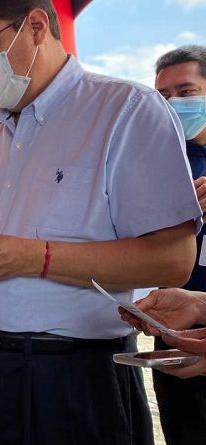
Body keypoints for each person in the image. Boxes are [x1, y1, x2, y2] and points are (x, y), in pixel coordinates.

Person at [0, 1, 202, 444]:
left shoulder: (127, 111)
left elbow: (172, 259)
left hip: (67, 376)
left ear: (35, 26)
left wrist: (31, 258)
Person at [145, 44, 206, 445]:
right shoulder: (155, 160)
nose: (173, 104)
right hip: (169, 319)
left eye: (186, 92)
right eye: (163, 96)